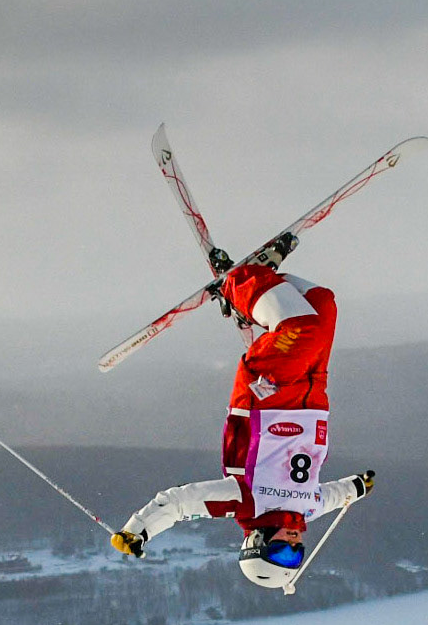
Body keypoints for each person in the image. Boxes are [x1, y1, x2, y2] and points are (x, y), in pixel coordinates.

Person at [110, 234, 374, 589]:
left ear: (258, 544)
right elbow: (335, 495)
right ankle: (262, 282)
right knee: (323, 306)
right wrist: (358, 487)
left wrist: (138, 531)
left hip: (266, 399)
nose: (294, 545)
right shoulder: (309, 508)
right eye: (296, 554)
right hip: (312, 398)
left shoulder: (246, 504)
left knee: (302, 329)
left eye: (282, 551)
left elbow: (179, 503)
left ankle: (238, 281)